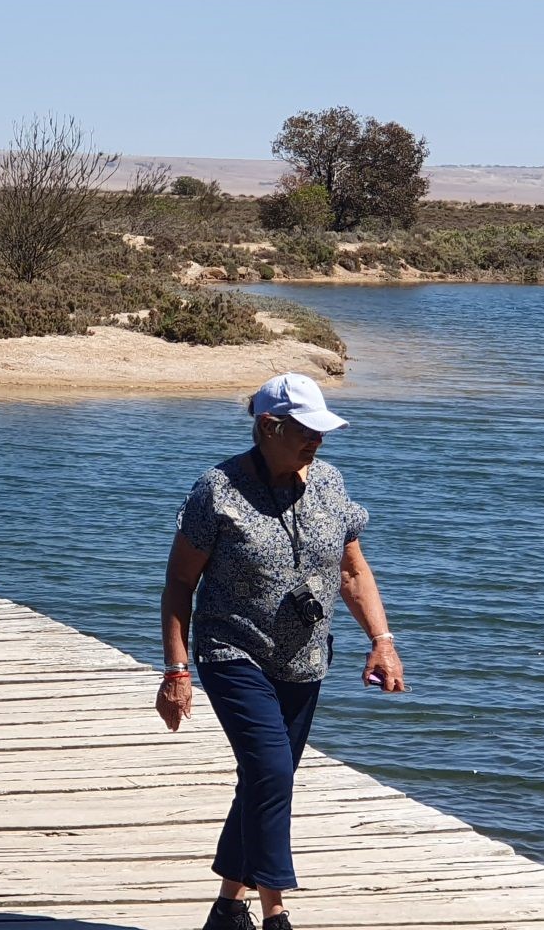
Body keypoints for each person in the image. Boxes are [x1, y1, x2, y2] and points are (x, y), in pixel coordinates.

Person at [156, 372, 406, 930]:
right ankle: (277, 913)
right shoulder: (217, 491)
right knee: (272, 771)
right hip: (231, 650)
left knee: (264, 779)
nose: (318, 441)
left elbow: (352, 570)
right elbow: (178, 583)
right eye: (306, 431)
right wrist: (177, 669)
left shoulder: (330, 485)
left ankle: (227, 907)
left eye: (322, 431)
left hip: (305, 659)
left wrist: (382, 642)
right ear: (268, 427)